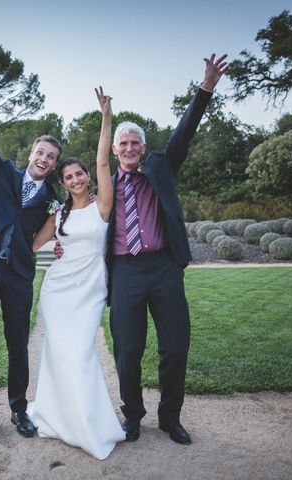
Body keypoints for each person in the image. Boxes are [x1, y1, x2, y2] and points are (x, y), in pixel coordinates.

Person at [107, 53, 229, 445]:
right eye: (122, 143)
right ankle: (132, 417)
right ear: (114, 150)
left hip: (163, 267)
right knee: (128, 352)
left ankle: (170, 417)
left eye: (134, 143)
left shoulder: (160, 166)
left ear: (142, 148)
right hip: (125, 270)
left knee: (175, 346)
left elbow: (185, 131)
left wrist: (206, 87)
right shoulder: (105, 184)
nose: (129, 148)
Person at [27, 88, 125, 460]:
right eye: (67, 176)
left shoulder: (102, 204)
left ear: (87, 175)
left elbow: (104, 161)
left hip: (89, 290)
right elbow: (33, 243)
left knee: (80, 353)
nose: (75, 179)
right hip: (58, 289)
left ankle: (90, 424)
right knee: (58, 353)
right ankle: (56, 416)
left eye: (79, 173)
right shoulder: (59, 214)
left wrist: (105, 117)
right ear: (63, 182)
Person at [0, 56, 60, 442]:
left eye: (51, 158)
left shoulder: (54, 198)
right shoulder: (3, 172)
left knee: (18, 345)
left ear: (54, 166)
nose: (44, 159)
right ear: (31, 154)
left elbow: (62, 226)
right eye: (41, 153)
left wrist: (60, 246)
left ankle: (20, 410)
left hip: (20, 274)